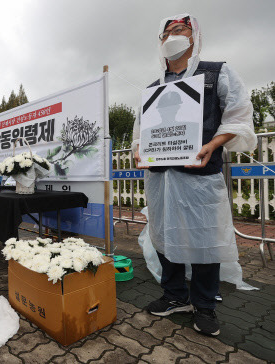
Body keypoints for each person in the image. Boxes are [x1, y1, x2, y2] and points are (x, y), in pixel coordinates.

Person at [132, 14, 256, 336]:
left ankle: (204, 305)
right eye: (166, 33)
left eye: (180, 29)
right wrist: (137, 150)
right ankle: (174, 296)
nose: (172, 35)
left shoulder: (215, 74)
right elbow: (139, 133)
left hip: (199, 177)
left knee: (204, 239)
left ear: (194, 36)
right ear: (160, 43)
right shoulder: (152, 89)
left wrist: (213, 144)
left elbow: (239, 114)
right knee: (163, 233)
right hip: (160, 178)